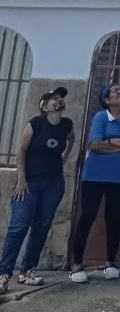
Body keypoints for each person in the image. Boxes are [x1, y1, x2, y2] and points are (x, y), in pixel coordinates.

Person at [0, 87, 75, 293]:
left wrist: (65, 158)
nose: (58, 101)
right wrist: (21, 179)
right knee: (19, 227)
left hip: (53, 184)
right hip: (30, 184)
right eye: (54, 99)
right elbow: (21, 150)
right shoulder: (36, 123)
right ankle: (4, 273)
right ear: (44, 105)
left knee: (42, 226)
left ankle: (27, 270)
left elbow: (72, 139)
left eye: (60, 98)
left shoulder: (66, 124)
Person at [69, 83, 120, 284]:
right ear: (108, 100)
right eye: (115, 91)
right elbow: (95, 145)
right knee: (87, 216)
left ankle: (111, 262)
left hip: (119, 177)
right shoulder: (101, 117)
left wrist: (109, 141)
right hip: (94, 176)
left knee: (113, 218)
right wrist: (119, 144)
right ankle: (77, 264)